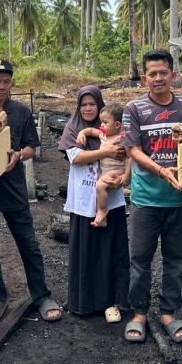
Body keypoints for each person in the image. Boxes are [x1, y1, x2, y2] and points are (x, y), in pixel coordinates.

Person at [0, 59, 63, 323]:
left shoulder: (20, 111)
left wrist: (19, 155)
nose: (1, 86)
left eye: (6, 81)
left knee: (28, 244)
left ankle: (41, 295)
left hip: (13, 188)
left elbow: (32, 145)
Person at [122, 49, 182, 344]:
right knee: (140, 258)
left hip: (180, 198)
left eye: (163, 73)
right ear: (145, 78)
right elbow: (133, 150)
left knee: (177, 258)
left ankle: (169, 311)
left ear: (173, 75)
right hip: (146, 198)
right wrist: (160, 171)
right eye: (152, 74)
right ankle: (139, 312)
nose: (158, 78)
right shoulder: (134, 109)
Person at [58, 86, 130, 322]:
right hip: (83, 198)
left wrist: (123, 172)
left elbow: (124, 152)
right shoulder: (73, 128)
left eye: (92, 104)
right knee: (85, 249)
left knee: (111, 249)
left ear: (100, 106)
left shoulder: (111, 129)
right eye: (84, 104)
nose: (88, 108)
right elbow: (75, 157)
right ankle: (83, 301)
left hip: (112, 197)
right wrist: (104, 151)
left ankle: (111, 302)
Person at [75, 102, 131, 228]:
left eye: (105, 122)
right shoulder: (104, 135)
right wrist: (81, 134)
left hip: (117, 171)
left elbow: (130, 156)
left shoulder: (122, 138)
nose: (101, 125)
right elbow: (90, 131)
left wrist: (127, 175)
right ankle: (103, 219)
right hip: (105, 171)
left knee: (100, 186)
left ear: (117, 125)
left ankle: (103, 211)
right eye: (101, 122)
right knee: (96, 190)